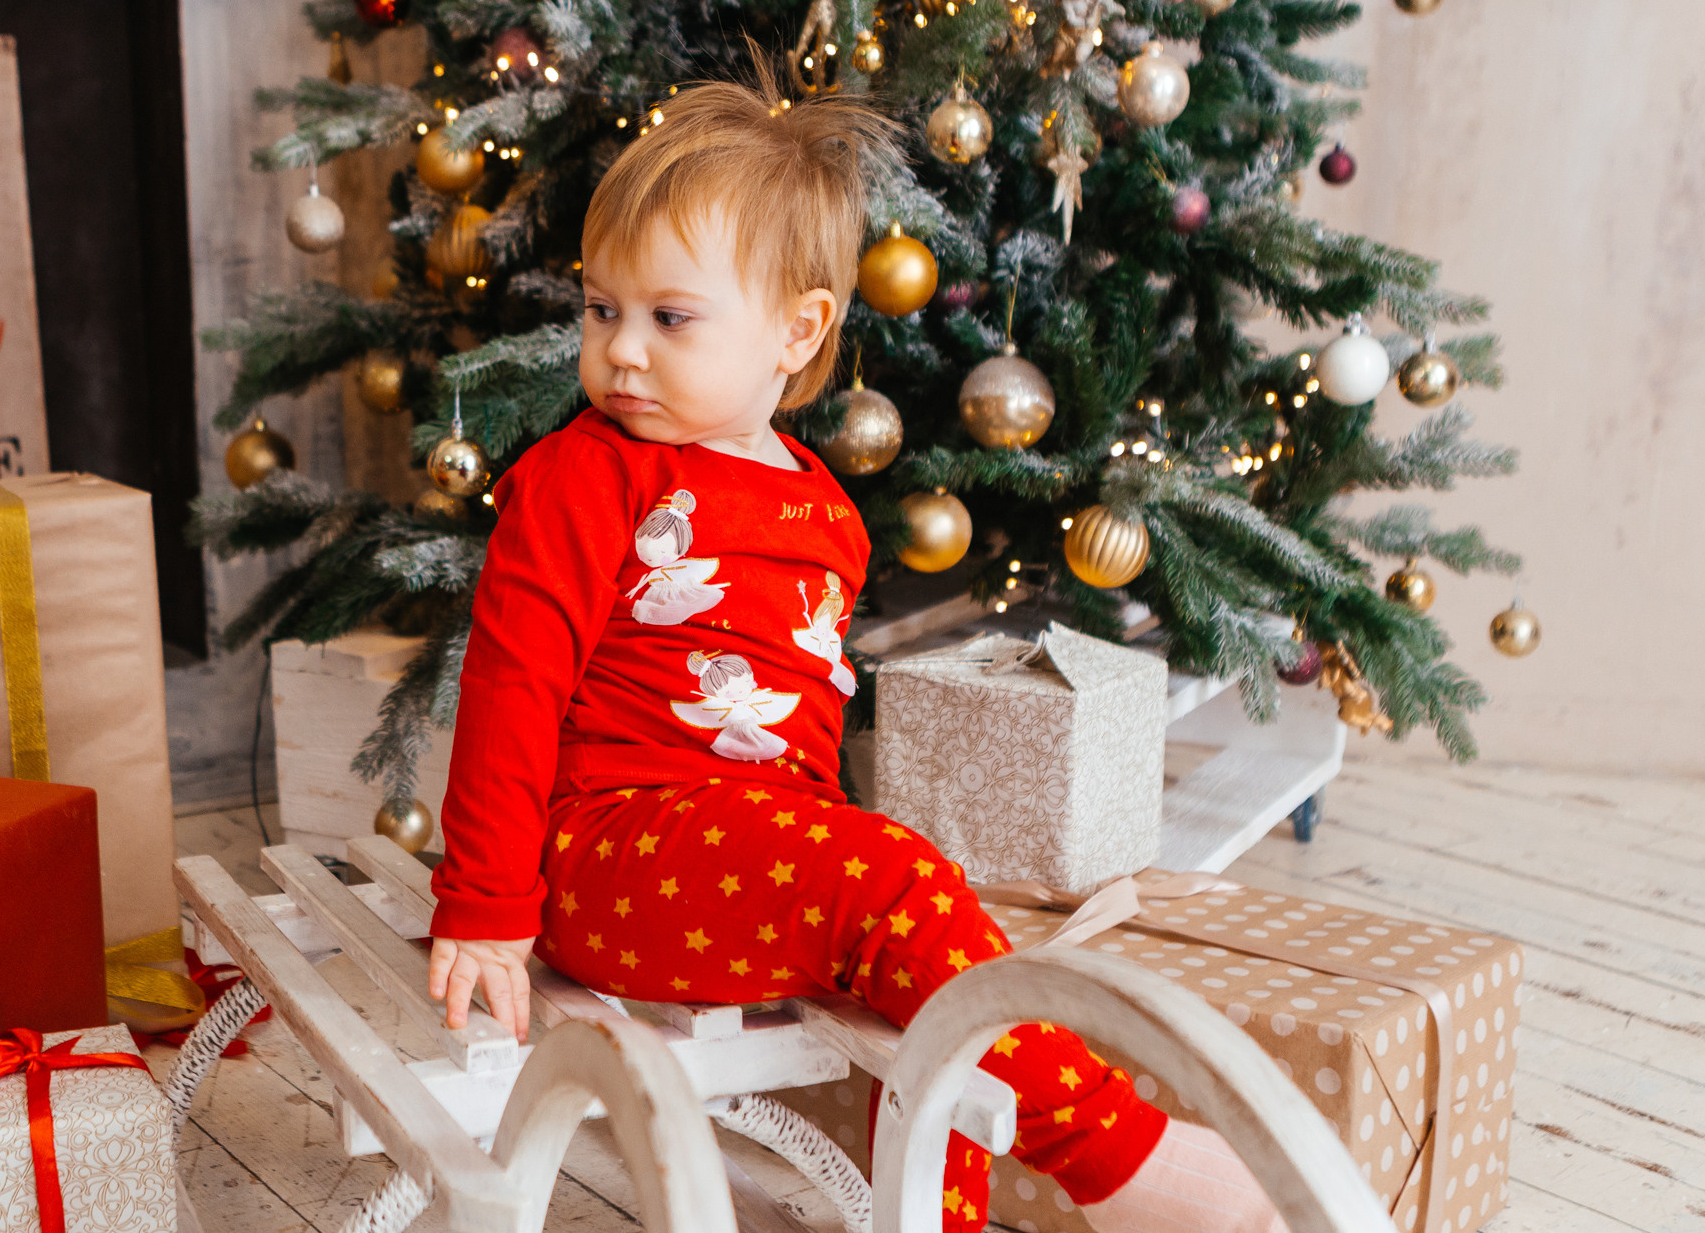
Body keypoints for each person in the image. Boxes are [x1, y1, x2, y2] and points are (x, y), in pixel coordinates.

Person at [423, 61, 1286, 1233]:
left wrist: (831, 837)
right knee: (892, 886)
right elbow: (514, 679)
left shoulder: (824, 511)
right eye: (600, 309)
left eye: (669, 317)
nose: (622, 350)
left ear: (799, 327)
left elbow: (806, 721)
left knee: (936, 982)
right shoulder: (590, 473)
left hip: (743, 852)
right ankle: (1117, 1156)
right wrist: (485, 903)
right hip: (607, 854)